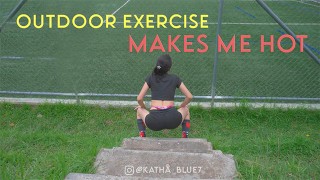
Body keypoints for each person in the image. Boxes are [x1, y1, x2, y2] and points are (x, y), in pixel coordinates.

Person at [135, 54, 193, 138]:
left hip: (154, 122)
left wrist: (143, 107)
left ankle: (142, 134)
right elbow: (189, 96)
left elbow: (139, 98)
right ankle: (185, 135)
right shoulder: (175, 78)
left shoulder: (151, 78)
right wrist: (182, 106)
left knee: (139, 110)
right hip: (173, 119)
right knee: (186, 109)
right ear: (169, 67)